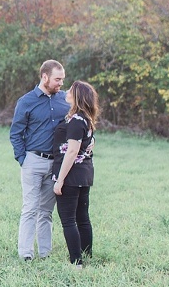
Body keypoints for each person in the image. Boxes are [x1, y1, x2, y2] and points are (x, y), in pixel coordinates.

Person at [9, 59, 69, 261]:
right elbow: (16, 133)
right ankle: (26, 253)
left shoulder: (65, 100)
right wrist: (22, 159)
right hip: (33, 162)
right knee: (30, 209)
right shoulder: (26, 101)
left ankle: (46, 253)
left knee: (46, 212)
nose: (60, 84)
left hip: (56, 164)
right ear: (45, 77)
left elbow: (80, 122)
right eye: (57, 79)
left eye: (62, 79)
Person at [52, 80, 98, 269]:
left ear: (77, 96)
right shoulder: (85, 119)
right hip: (84, 175)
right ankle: (87, 256)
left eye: (70, 90)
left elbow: (72, 152)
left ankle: (77, 262)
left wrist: (60, 180)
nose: (66, 91)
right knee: (82, 218)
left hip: (71, 176)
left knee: (69, 220)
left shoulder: (77, 120)